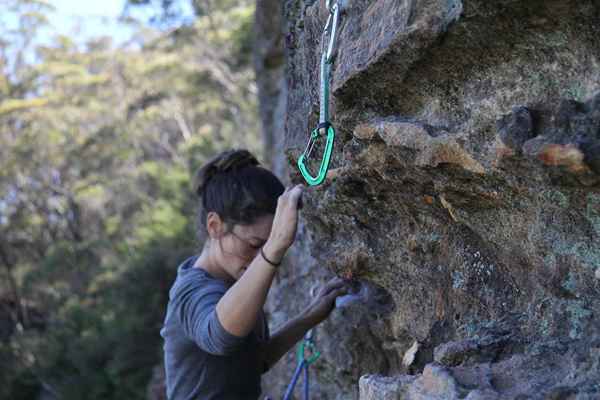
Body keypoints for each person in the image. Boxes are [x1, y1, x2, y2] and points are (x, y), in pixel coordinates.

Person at [160, 149, 350, 400]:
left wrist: (309, 317)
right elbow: (220, 338)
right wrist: (273, 248)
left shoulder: (234, 282)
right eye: (253, 244)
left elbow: (255, 361)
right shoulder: (192, 291)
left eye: (266, 244)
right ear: (215, 226)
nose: (258, 257)